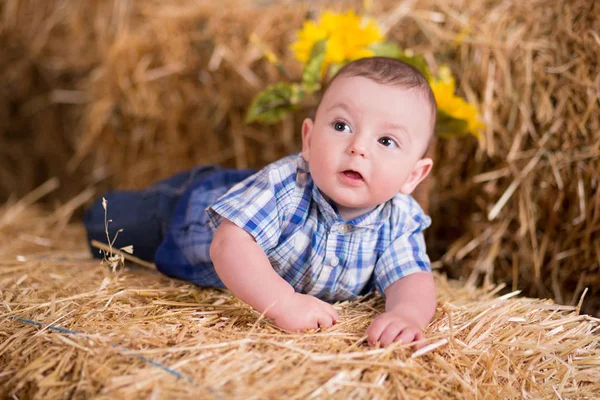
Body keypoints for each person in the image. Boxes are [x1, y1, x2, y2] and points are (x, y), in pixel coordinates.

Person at [84, 57, 437, 347]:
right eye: (342, 125)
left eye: (387, 141)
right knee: (105, 228)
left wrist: (406, 315)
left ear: (413, 176)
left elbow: (412, 277)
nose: (358, 146)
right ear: (309, 140)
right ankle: (92, 206)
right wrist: (283, 302)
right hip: (183, 213)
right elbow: (229, 244)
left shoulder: (398, 220)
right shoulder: (286, 184)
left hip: (235, 225)